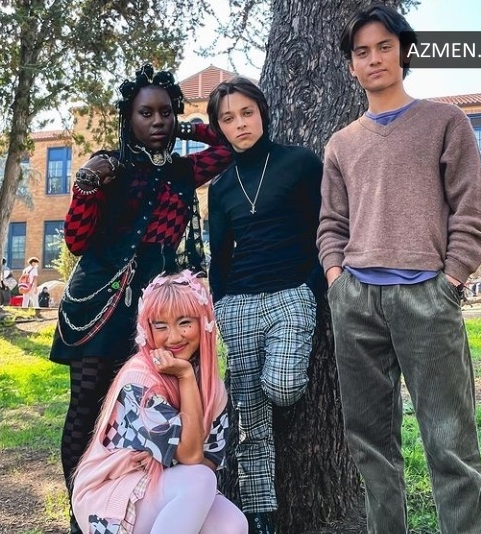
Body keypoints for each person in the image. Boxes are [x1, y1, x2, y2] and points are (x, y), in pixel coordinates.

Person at [317, 4, 481, 533]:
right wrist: (337, 281)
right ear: (351, 65)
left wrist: (451, 279)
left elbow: (472, 211)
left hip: (427, 300)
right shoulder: (341, 143)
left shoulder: (446, 122)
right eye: (362, 52)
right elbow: (331, 223)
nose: (374, 59)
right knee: (370, 447)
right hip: (357, 303)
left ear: (404, 52)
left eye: (384, 47)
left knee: (451, 445)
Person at [49, 64, 232, 533]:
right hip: (97, 304)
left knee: (141, 408)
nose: (157, 121)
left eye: (165, 112)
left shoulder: (184, 170)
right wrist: (86, 185)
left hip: (154, 309)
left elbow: (227, 145)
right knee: (86, 409)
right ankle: (81, 515)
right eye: (145, 113)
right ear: (127, 118)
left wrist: (188, 126)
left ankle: (136, 504)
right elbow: (75, 241)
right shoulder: (108, 166)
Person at [206, 77, 324, 534]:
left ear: (262, 112)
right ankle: (260, 515)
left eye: (246, 113)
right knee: (250, 421)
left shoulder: (300, 162)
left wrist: (311, 287)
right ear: (219, 127)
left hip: (291, 295)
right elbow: (221, 255)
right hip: (237, 303)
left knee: (284, 386)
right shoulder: (220, 187)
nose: (240, 124)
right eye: (228, 118)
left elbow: (327, 227)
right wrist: (220, 305)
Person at [71, 271, 248, 534]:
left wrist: (189, 380)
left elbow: (209, 459)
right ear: (147, 329)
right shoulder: (138, 380)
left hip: (165, 491)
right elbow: (191, 457)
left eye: (185, 322)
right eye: (161, 326)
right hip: (110, 497)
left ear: (204, 323)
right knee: (199, 480)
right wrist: (185, 376)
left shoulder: (212, 387)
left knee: (232, 524)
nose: (174, 337)